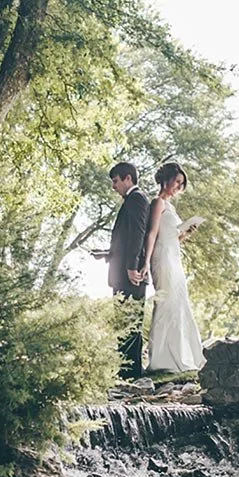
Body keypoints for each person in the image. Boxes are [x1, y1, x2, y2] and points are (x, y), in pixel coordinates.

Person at [136, 162, 206, 373]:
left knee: (178, 303)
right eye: (176, 182)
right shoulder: (158, 203)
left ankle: (179, 355)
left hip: (174, 257)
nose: (178, 187)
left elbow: (172, 237)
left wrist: (186, 233)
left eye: (181, 184)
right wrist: (146, 262)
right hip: (162, 258)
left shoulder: (172, 208)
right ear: (165, 179)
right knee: (165, 303)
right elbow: (152, 234)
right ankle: (159, 359)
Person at [102, 161, 150, 378]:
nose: (114, 186)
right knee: (123, 322)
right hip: (123, 273)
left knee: (130, 322)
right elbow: (125, 239)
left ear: (127, 178)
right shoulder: (131, 201)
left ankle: (131, 373)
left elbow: (138, 234)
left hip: (130, 275)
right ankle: (126, 371)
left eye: (115, 181)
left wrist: (132, 267)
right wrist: (106, 254)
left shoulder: (137, 199)